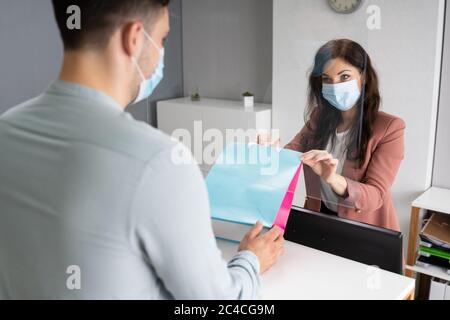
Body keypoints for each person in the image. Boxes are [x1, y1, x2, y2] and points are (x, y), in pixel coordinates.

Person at [0, 0, 283, 299]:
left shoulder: (7, 129)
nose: (161, 54)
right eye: (162, 40)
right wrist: (251, 259)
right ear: (133, 38)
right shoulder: (159, 162)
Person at [285, 39, 405, 230]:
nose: (335, 86)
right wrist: (270, 151)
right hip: (320, 220)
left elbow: (376, 196)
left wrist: (333, 178)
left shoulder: (390, 128)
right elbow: (291, 152)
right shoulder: (319, 117)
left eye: (344, 77)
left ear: (363, 77)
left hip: (363, 229)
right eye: (327, 79)